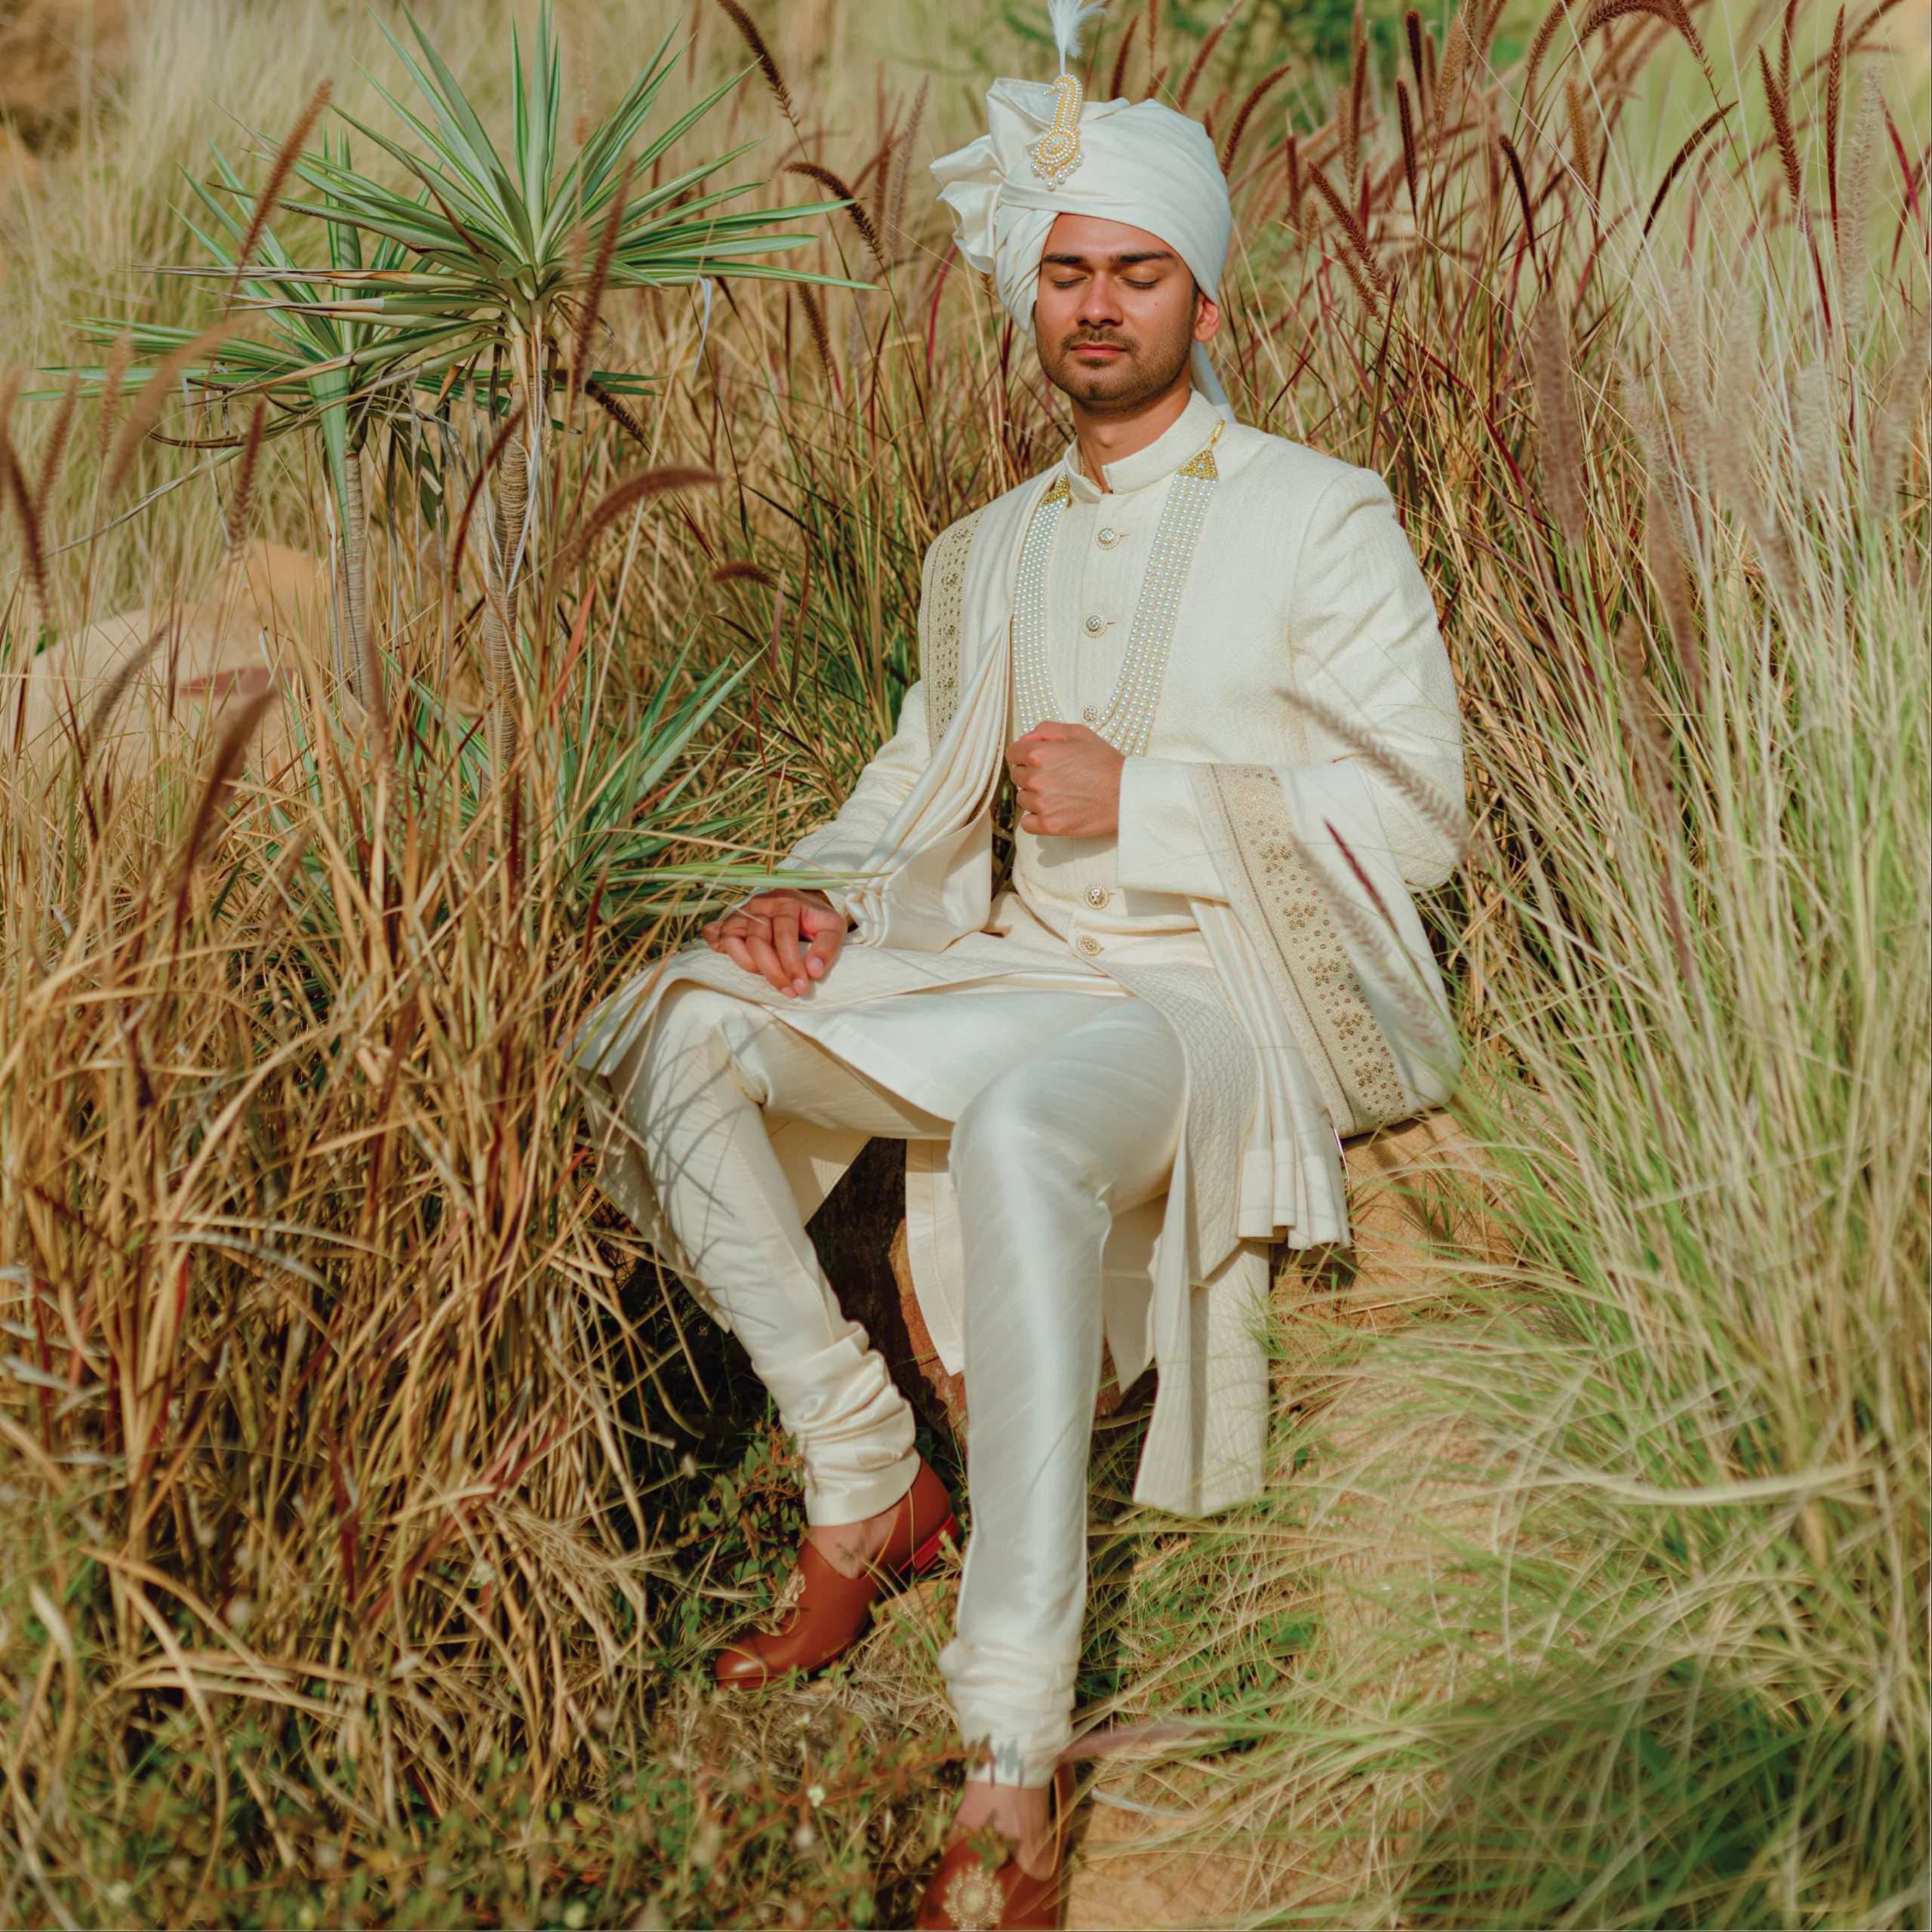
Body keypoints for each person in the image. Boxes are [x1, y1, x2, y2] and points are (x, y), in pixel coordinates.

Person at [574, 15, 1464, 1925]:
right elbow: (910, 781)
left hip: (1212, 1001)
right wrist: (807, 896)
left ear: (1202, 291)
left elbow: (1414, 814)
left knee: (1030, 1135)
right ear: (1026, 294)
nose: (1094, 305)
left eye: (1134, 271)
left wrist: (1152, 799)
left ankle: (1008, 1736)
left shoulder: (1321, 512)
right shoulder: (976, 551)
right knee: (661, 1025)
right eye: (1062, 269)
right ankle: (859, 1465)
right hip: (1011, 961)